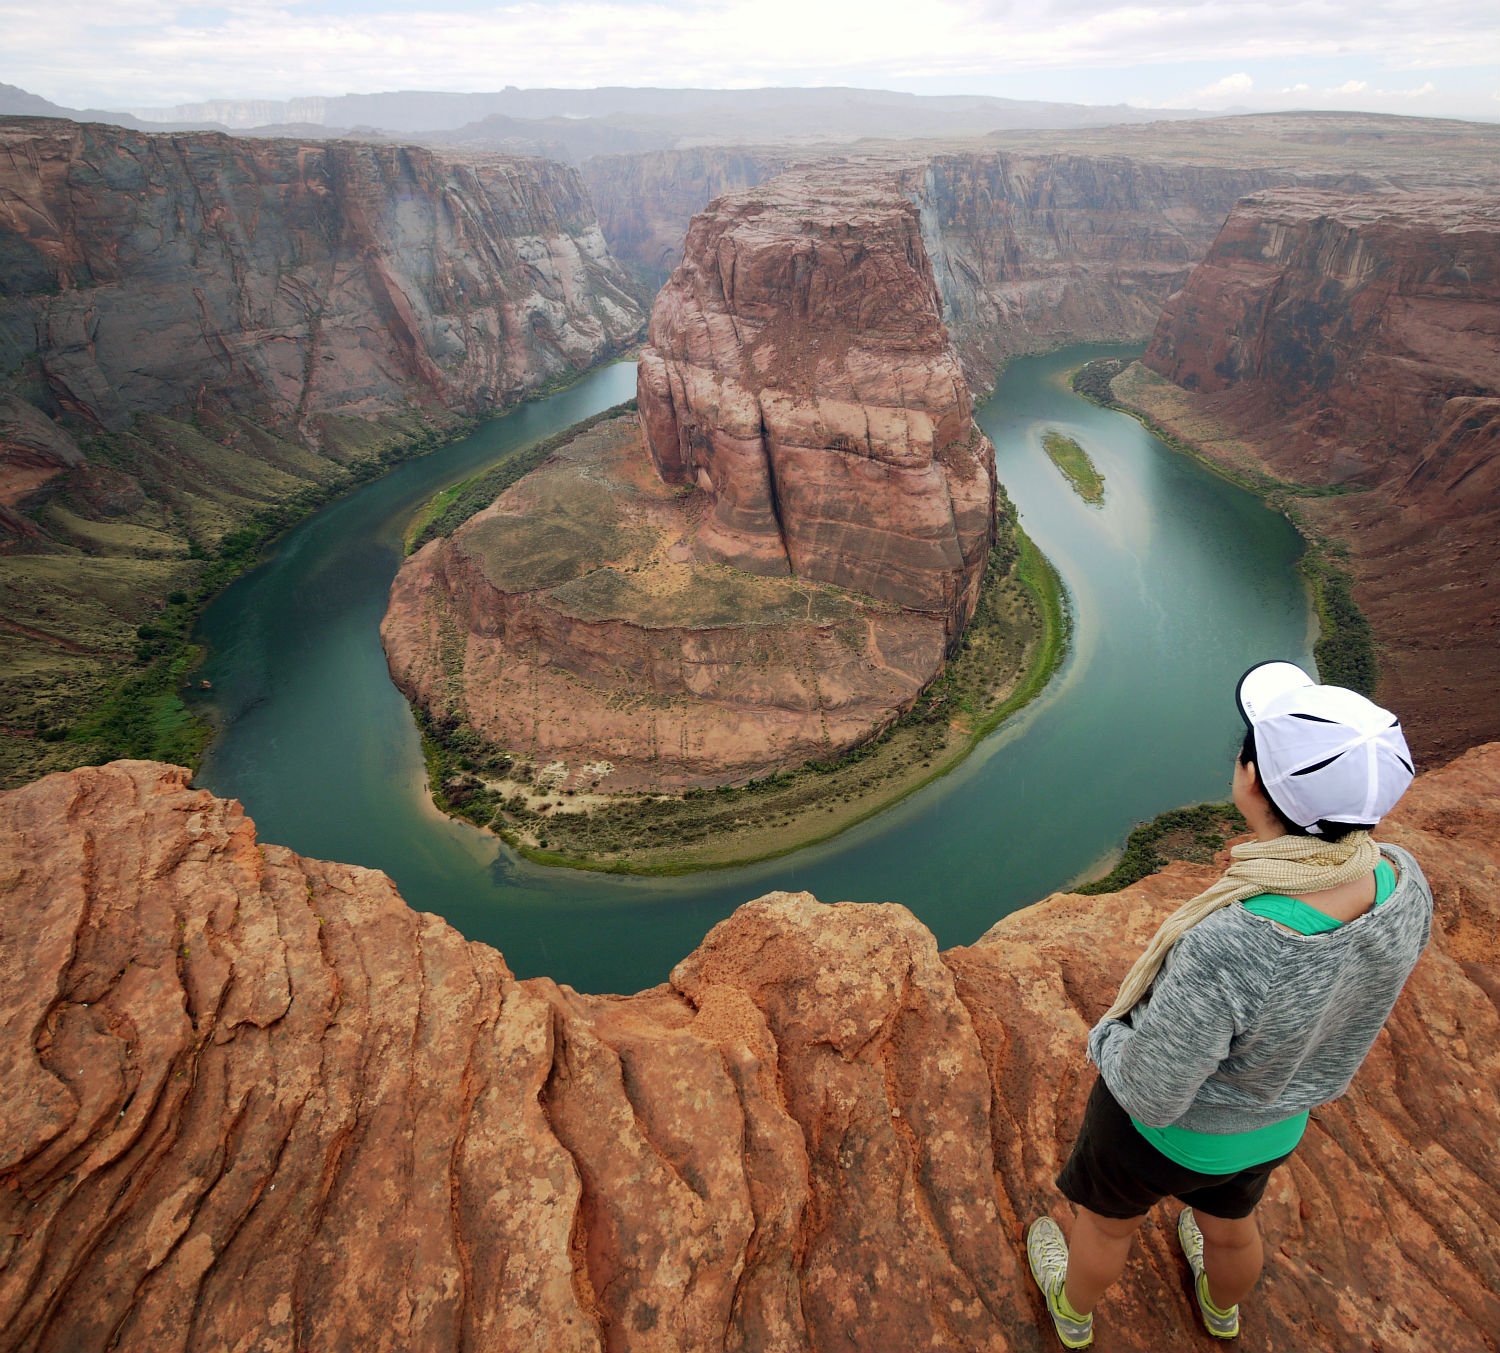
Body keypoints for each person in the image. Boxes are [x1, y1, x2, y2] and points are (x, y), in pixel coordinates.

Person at [1025, 660, 1433, 1349]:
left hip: (1161, 1138)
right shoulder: (1401, 878)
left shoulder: (1237, 941)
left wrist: (1108, 1037)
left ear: (1251, 778)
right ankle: (1219, 1308)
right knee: (1230, 1227)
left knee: (1106, 1227)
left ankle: (1072, 1308)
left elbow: (1153, 1092)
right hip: (1273, 1126)